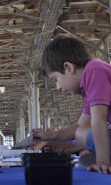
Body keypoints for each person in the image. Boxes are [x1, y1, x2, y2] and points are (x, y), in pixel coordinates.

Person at [33, 35, 111, 174]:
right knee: (84, 155)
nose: (57, 87)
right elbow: (80, 126)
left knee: (82, 136)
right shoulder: (88, 88)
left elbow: (99, 119)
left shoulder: (94, 69)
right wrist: (52, 136)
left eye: (55, 79)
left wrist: (102, 162)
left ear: (68, 67)